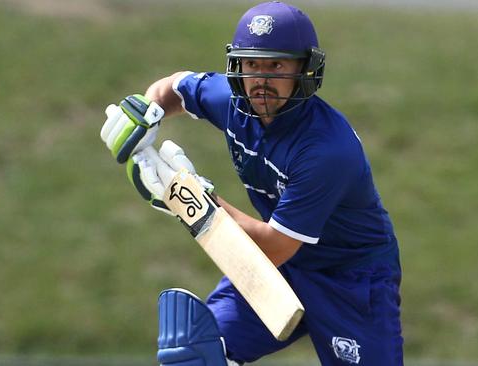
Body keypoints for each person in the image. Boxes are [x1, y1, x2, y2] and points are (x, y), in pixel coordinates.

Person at [100, 1, 403, 365]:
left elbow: (274, 247)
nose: (261, 79)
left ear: (305, 69)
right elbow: (173, 88)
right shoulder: (231, 101)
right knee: (194, 356)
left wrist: (187, 196)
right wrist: (145, 115)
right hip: (282, 267)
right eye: (252, 64)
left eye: (276, 65)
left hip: (350, 278)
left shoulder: (326, 150)